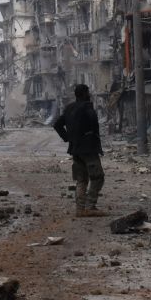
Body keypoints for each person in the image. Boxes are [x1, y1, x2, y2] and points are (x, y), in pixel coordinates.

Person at [53, 84, 105, 217]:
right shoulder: (87, 107)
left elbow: (57, 124)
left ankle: (80, 209)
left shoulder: (69, 108)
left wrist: (68, 138)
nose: (89, 94)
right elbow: (94, 128)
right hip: (88, 149)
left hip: (75, 149)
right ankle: (90, 206)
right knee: (97, 176)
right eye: (88, 92)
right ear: (84, 94)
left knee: (81, 179)